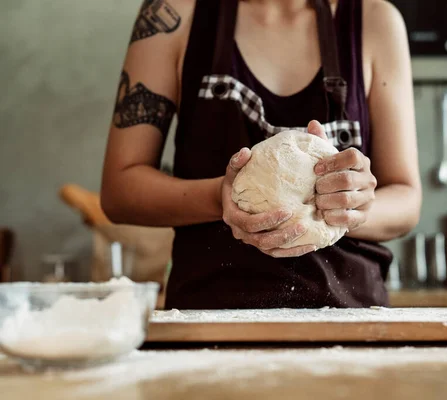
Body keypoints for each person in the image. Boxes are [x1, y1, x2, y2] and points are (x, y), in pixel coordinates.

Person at [100, 0, 421, 309]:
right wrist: (219, 198)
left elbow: (406, 199)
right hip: (210, 315)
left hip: (349, 315)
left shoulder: (375, 20)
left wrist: (352, 206)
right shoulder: (173, 14)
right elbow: (120, 190)